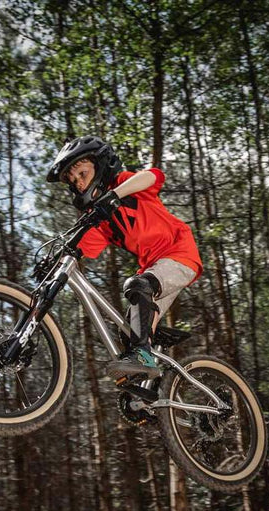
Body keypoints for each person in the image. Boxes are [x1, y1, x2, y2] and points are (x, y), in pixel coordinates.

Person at [46, 135, 202, 380]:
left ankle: (143, 355)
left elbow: (153, 176)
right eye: (74, 181)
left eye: (82, 174)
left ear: (99, 167)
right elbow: (82, 248)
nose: (79, 183)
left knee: (138, 285)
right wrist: (54, 260)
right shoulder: (102, 221)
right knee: (129, 331)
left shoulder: (126, 184)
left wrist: (115, 194)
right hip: (154, 269)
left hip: (179, 254)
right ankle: (150, 389)